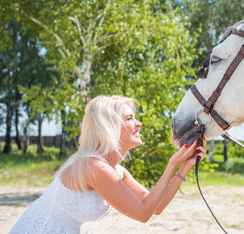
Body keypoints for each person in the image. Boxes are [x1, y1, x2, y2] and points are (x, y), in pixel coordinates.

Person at [10, 95, 206, 234]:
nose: (139, 124)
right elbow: (143, 214)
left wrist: (185, 166)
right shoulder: (95, 167)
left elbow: (155, 205)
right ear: (109, 127)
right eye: (130, 118)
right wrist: (171, 165)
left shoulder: (115, 170)